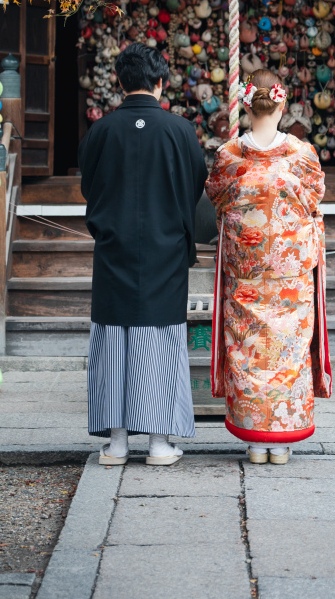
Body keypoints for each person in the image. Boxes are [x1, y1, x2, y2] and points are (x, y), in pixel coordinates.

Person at [80, 41, 207, 466]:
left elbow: (89, 187)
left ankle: (115, 445)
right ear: (161, 82)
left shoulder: (100, 131)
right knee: (160, 342)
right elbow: (194, 187)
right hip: (165, 248)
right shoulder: (180, 131)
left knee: (113, 341)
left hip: (114, 247)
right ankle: (158, 443)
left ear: (119, 81)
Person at [206, 69, 331, 464]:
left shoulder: (229, 156)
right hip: (290, 277)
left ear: (246, 105)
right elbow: (314, 199)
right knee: (288, 352)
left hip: (246, 273)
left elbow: (217, 198)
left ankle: (255, 441)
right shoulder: (302, 155)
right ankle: (282, 441)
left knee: (247, 351)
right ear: (282, 104)